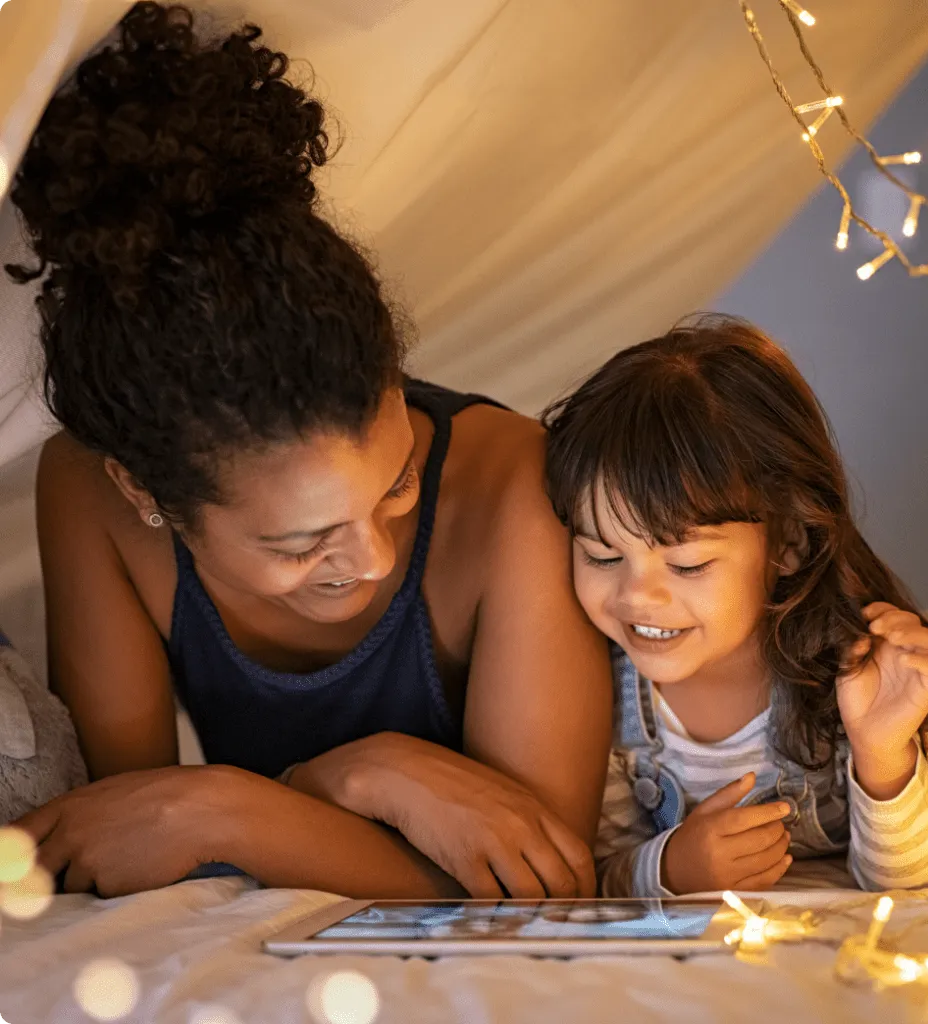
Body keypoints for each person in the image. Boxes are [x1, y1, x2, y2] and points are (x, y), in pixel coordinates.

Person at [3, 1, 612, 899]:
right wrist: (303, 794)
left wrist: (273, 795)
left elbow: (546, 887)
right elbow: (124, 834)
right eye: (298, 544)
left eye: (399, 484)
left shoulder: (515, 481)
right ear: (148, 495)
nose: (369, 556)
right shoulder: (87, 491)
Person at [541, 315, 928, 896]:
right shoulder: (596, 693)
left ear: (788, 544)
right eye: (601, 556)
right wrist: (668, 868)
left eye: (687, 565)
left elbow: (923, 878)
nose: (635, 596)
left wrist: (882, 753)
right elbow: (595, 873)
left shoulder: (863, 675)